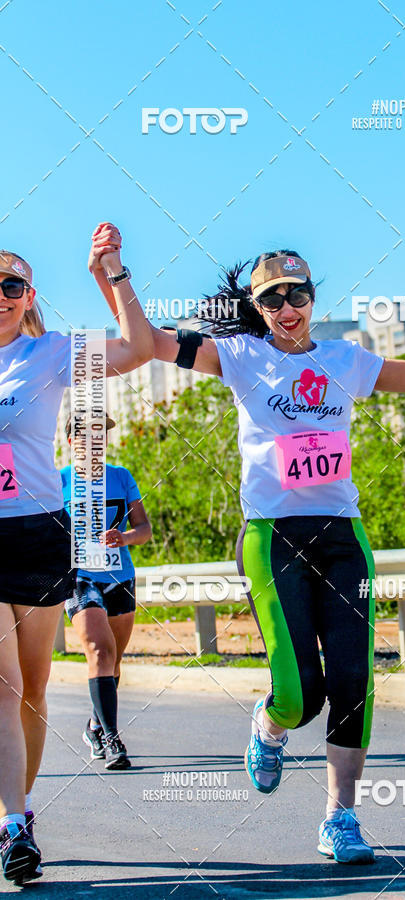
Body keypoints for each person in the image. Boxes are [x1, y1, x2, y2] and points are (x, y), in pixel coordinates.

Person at [92, 225, 405, 865]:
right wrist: (115, 274)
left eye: (298, 294)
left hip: (343, 538)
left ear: (313, 298)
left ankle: (340, 818)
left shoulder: (346, 359)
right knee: (299, 694)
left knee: (354, 679)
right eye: (272, 300)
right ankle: (269, 726)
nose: (287, 308)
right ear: (257, 310)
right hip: (272, 538)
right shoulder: (239, 357)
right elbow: (148, 343)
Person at [0, 229, 153, 885]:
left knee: (33, 690)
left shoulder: (53, 353)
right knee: (3, 688)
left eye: (11, 285)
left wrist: (109, 271)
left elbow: (140, 349)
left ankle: (21, 813)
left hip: (37, 535)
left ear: (28, 296)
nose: (0, 296)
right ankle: (11, 827)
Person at [60, 413, 152, 770]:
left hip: (119, 576)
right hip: (79, 578)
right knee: (99, 649)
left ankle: (96, 724)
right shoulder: (59, 483)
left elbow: (144, 529)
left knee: (113, 660)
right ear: (72, 442)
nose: (97, 441)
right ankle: (113, 739)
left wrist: (125, 537)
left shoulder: (121, 477)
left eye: (102, 435)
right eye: (89, 435)